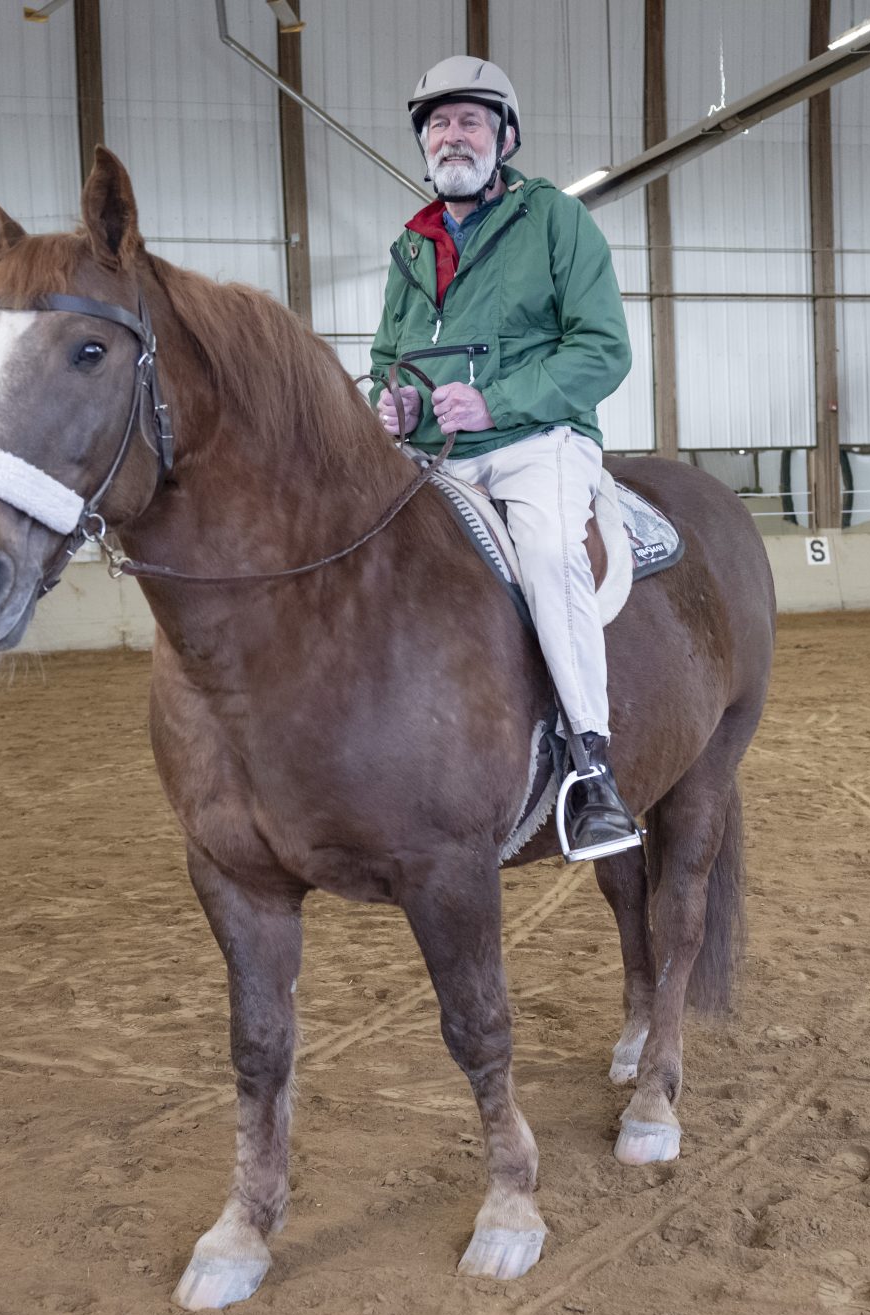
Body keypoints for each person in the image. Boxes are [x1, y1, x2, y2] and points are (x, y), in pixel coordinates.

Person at [370, 56, 640, 862]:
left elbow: (604, 349)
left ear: (505, 137)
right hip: (435, 454)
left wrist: (497, 402)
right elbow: (391, 353)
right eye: (439, 124)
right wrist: (398, 400)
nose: (453, 135)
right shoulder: (409, 247)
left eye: (471, 121)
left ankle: (593, 767)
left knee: (554, 553)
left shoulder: (556, 220)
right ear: (425, 144)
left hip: (537, 442)